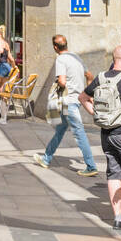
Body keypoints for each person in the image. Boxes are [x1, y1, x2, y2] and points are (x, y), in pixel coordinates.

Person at [80, 46, 121, 232]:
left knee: (114, 173)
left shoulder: (102, 77)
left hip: (107, 134)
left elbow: (83, 97)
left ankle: (118, 218)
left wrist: (97, 116)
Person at [33, 34, 98, 176]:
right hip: (77, 100)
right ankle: (46, 159)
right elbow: (90, 76)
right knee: (61, 129)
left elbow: (62, 81)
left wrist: (59, 82)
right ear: (66, 44)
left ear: (55, 47)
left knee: (79, 133)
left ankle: (91, 166)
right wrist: (88, 94)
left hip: (68, 102)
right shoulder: (76, 57)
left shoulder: (60, 59)